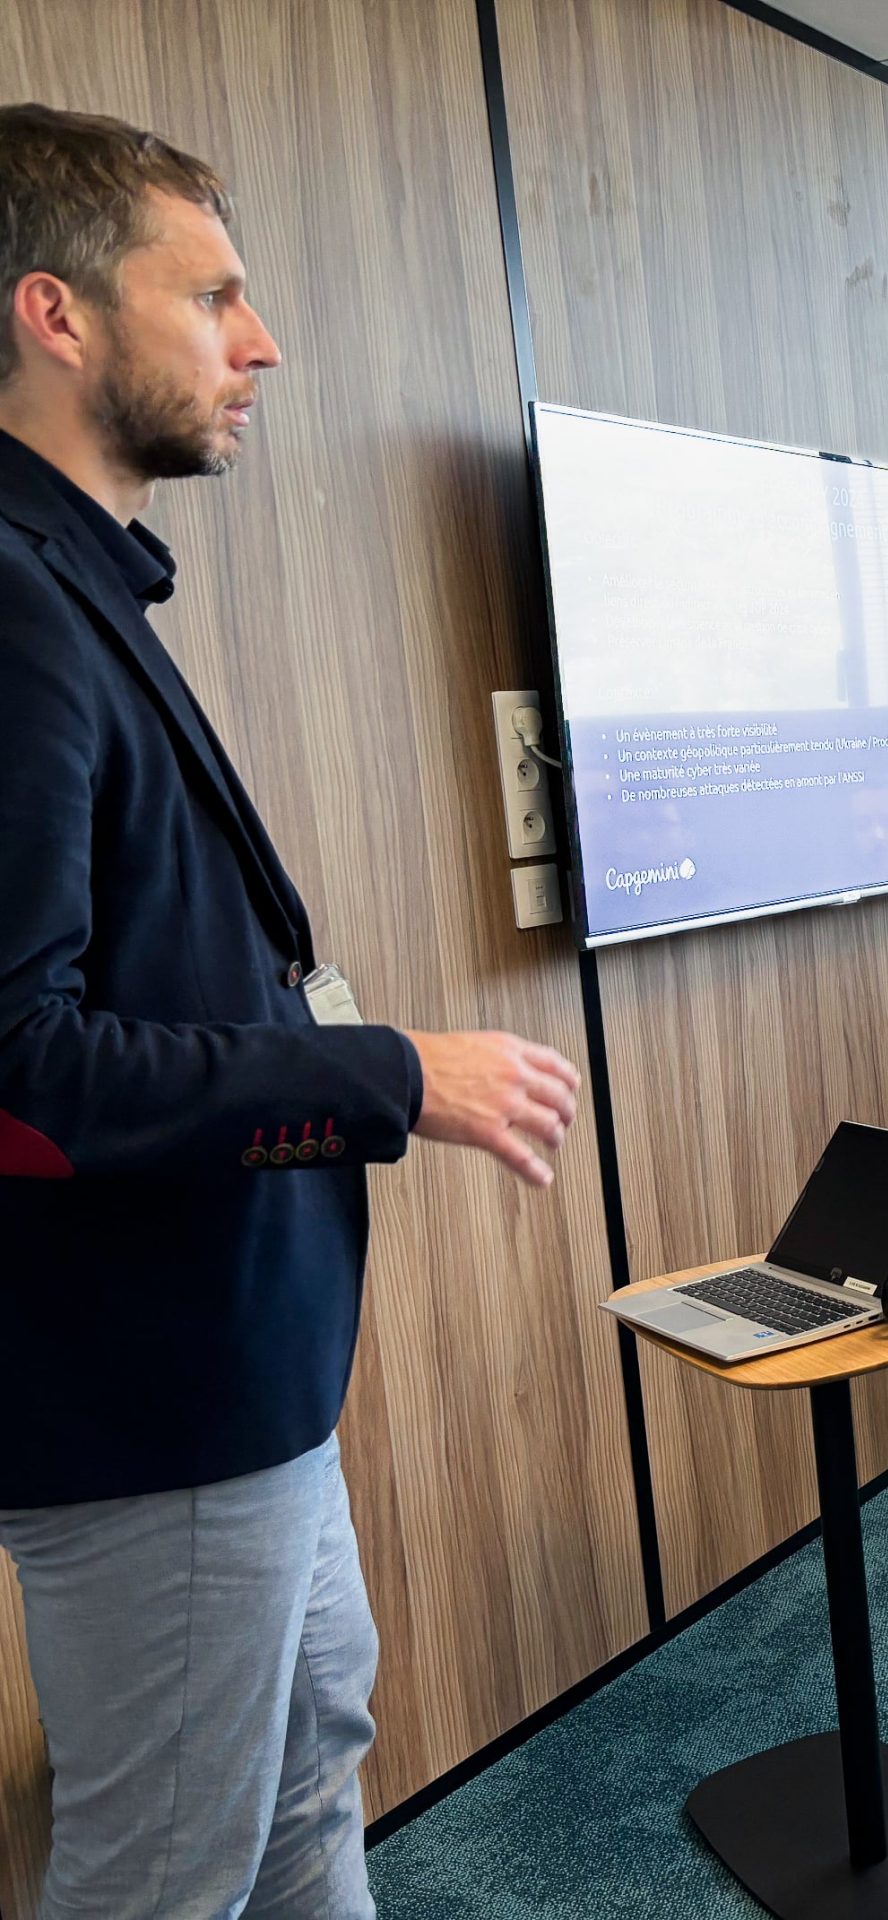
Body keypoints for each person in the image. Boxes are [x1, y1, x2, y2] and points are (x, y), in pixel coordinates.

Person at [0, 106, 582, 1918]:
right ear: (57, 315)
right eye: (217, 298)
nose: (262, 345)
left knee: (309, 1779)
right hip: (150, 1395)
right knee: (166, 1873)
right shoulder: (9, 610)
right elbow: (17, 1068)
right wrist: (385, 1073)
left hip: (241, 1377)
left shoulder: (80, 587)